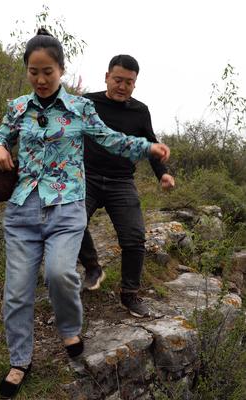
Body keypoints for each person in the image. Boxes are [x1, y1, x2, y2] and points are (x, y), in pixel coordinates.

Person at [0, 30, 170, 399]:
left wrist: (148, 147)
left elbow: (112, 138)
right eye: (33, 72)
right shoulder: (18, 107)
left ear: (61, 70)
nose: (40, 80)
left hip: (67, 207)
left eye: (48, 72)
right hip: (23, 209)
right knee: (17, 293)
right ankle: (20, 361)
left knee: (59, 274)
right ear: (27, 70)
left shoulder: (81, 109)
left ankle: (70, 328)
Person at [79, 54, 175, 318]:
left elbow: (151, 144)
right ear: (107, 77)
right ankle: (92, 266)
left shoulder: (140, 111)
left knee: (134, 238)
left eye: (129, 82)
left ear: (135, 84)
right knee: (71, 223)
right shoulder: (87, 103)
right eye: (118, 80)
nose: (122, 86)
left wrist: (163, 175)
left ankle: (130, 295)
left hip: (121, 181)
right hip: (86, 177)